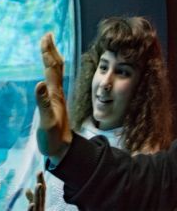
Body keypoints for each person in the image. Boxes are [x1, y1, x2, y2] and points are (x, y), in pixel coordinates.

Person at [28, 31, 177, 211]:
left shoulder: (143, 161)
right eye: (103, 67)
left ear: (142, 88)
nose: (105, 82)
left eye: (122, 72)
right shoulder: (68, 126)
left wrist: (64, 148)